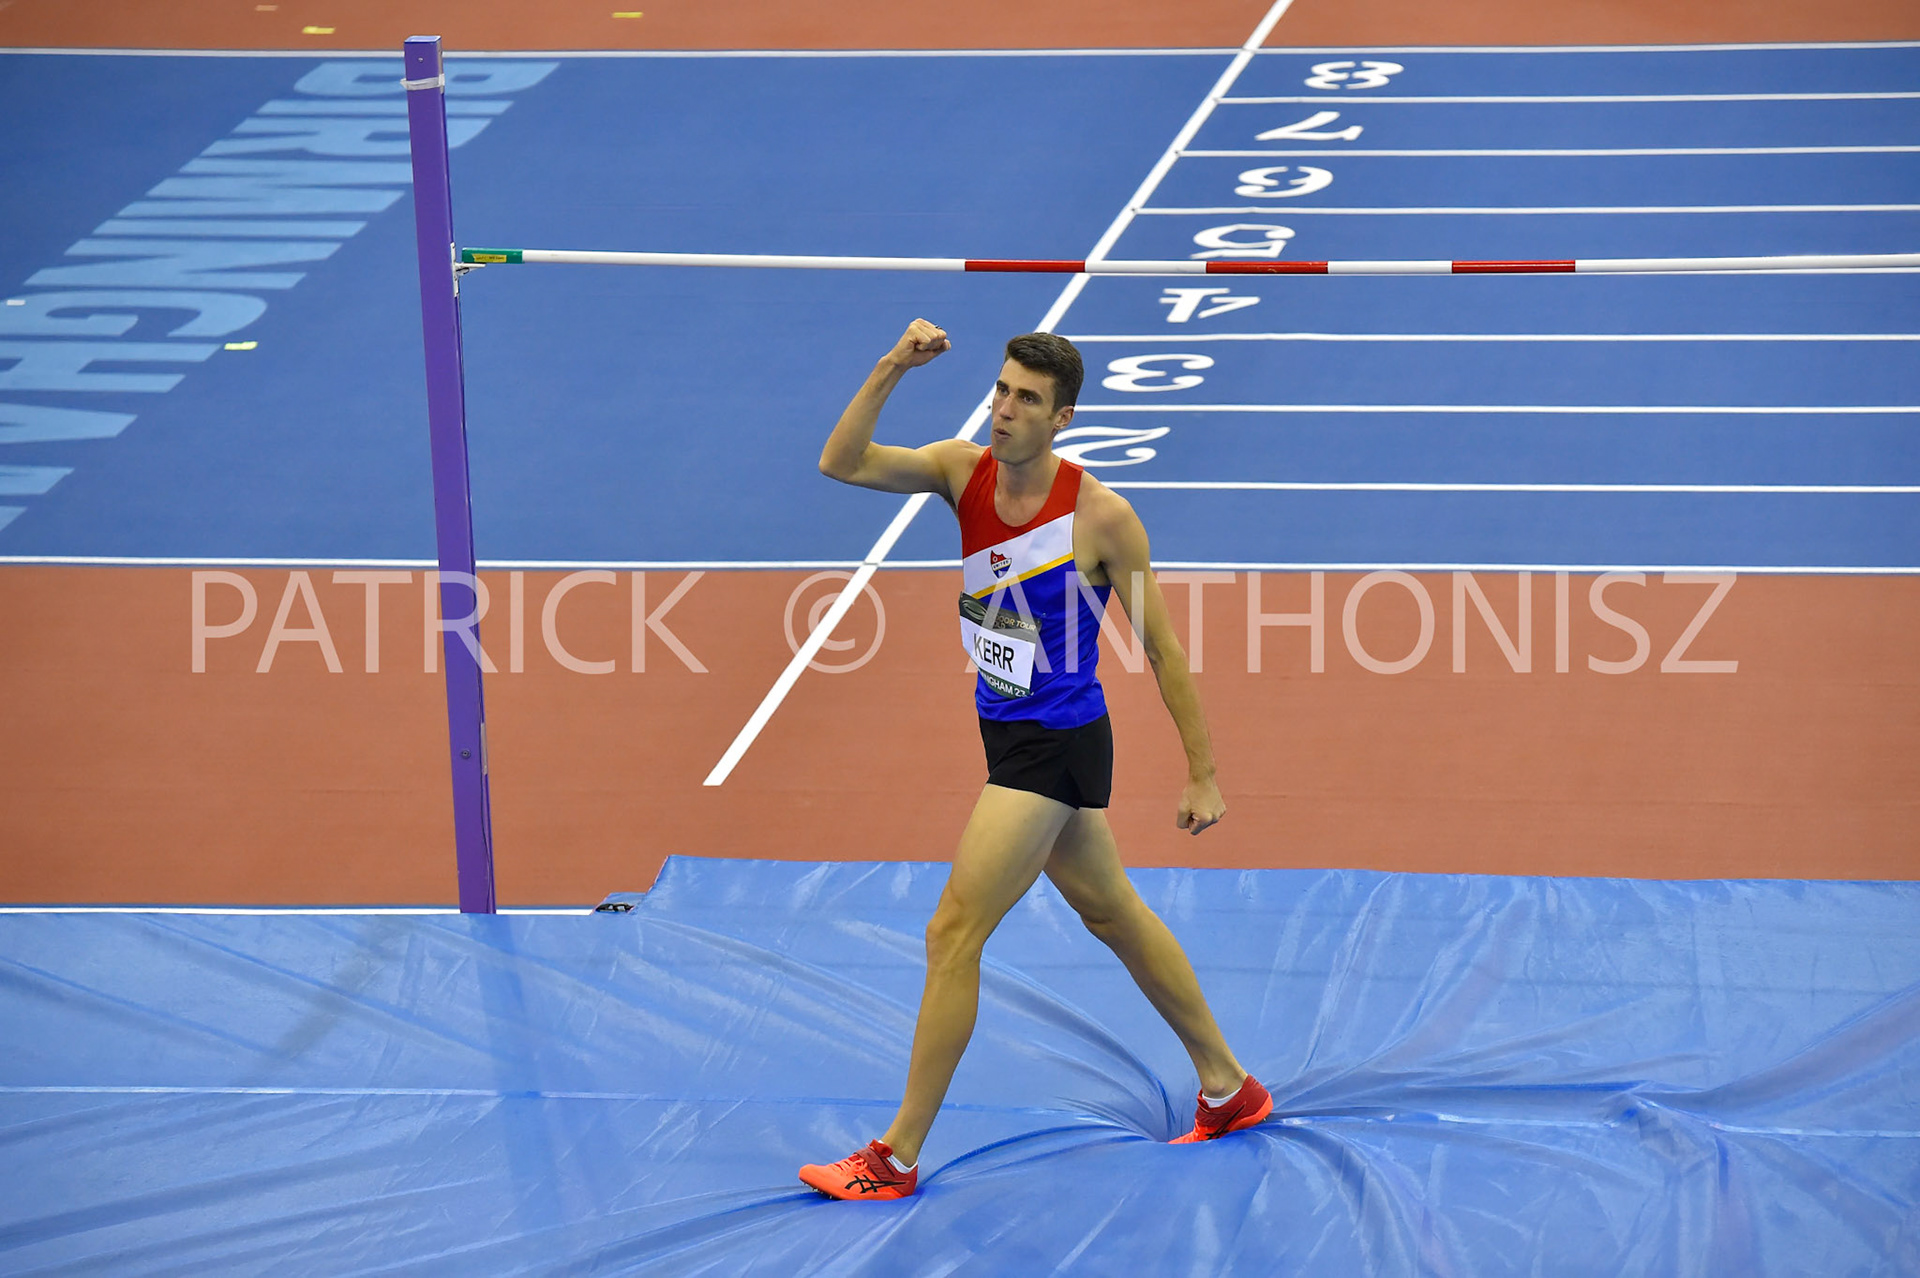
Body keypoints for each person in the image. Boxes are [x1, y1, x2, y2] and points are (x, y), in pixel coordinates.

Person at [798, 320, 1269, 1201]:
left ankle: (893, 1157)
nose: (1004, 410)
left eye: (1026, 400)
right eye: (1002, 390)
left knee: (952, 932)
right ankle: (1229, 1086)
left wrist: (1202, 770)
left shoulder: (1101, 517)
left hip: (1056, 747)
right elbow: (843, 461)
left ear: (1063, 419)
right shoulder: (958, 470)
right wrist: (892, 362)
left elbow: (1162, 650)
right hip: (1005, 730)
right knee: (1113, 912)